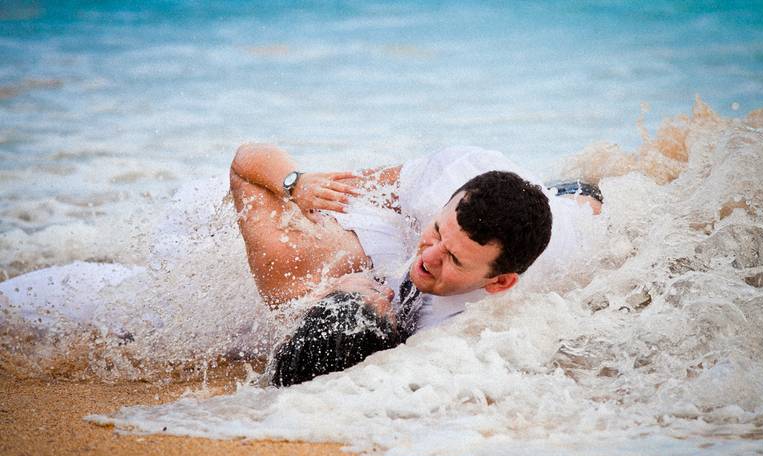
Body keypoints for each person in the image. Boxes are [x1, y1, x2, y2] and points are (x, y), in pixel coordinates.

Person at [229, 144, 602, 386]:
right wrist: (298, 183)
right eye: (436, 233)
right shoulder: (439, 184)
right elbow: (347, 189)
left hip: (573, 205)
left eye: (453, 259)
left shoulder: (488, 320)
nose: (426, 258)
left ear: (500, 282)